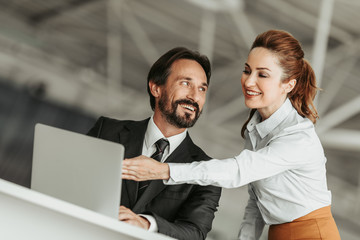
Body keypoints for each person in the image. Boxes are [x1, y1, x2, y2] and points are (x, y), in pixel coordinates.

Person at [121, 30, 341, 240]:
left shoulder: (297, 137)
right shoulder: (257, 128)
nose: (249, 81)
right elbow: (256, 201)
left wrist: (164, 170)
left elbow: (238, 171)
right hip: (280, 233)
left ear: (288, 84)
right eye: (247, 70)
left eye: (262, 74)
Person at [87, 47, 221, 240]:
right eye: (186, 83)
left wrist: (147, 224)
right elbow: (72, 180)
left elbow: (195, 233)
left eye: (202, 88)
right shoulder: (106, 131)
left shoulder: (206, 170)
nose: (195, 96)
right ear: (156, 88)